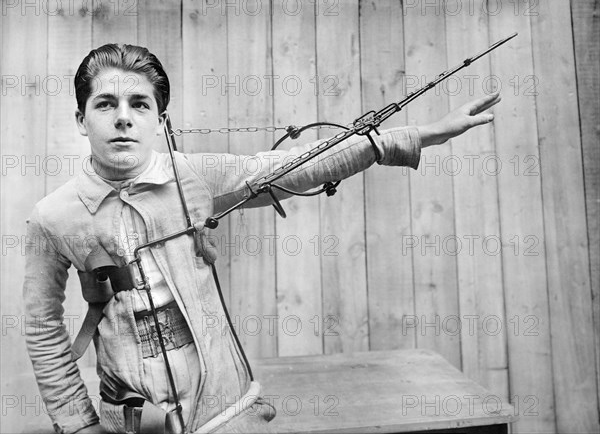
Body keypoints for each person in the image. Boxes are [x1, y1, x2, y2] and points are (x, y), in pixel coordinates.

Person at [23, 44, 501, 434]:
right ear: (82, 120)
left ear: (161, 122)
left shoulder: (192, 175)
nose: (123, 118)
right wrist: (76, 423)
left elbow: (297, 166)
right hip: (128, 421)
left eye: (139, 105)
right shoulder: (52, 217)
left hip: (227, 413)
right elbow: (42, 327)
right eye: (105, 104)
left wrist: (417, 135)